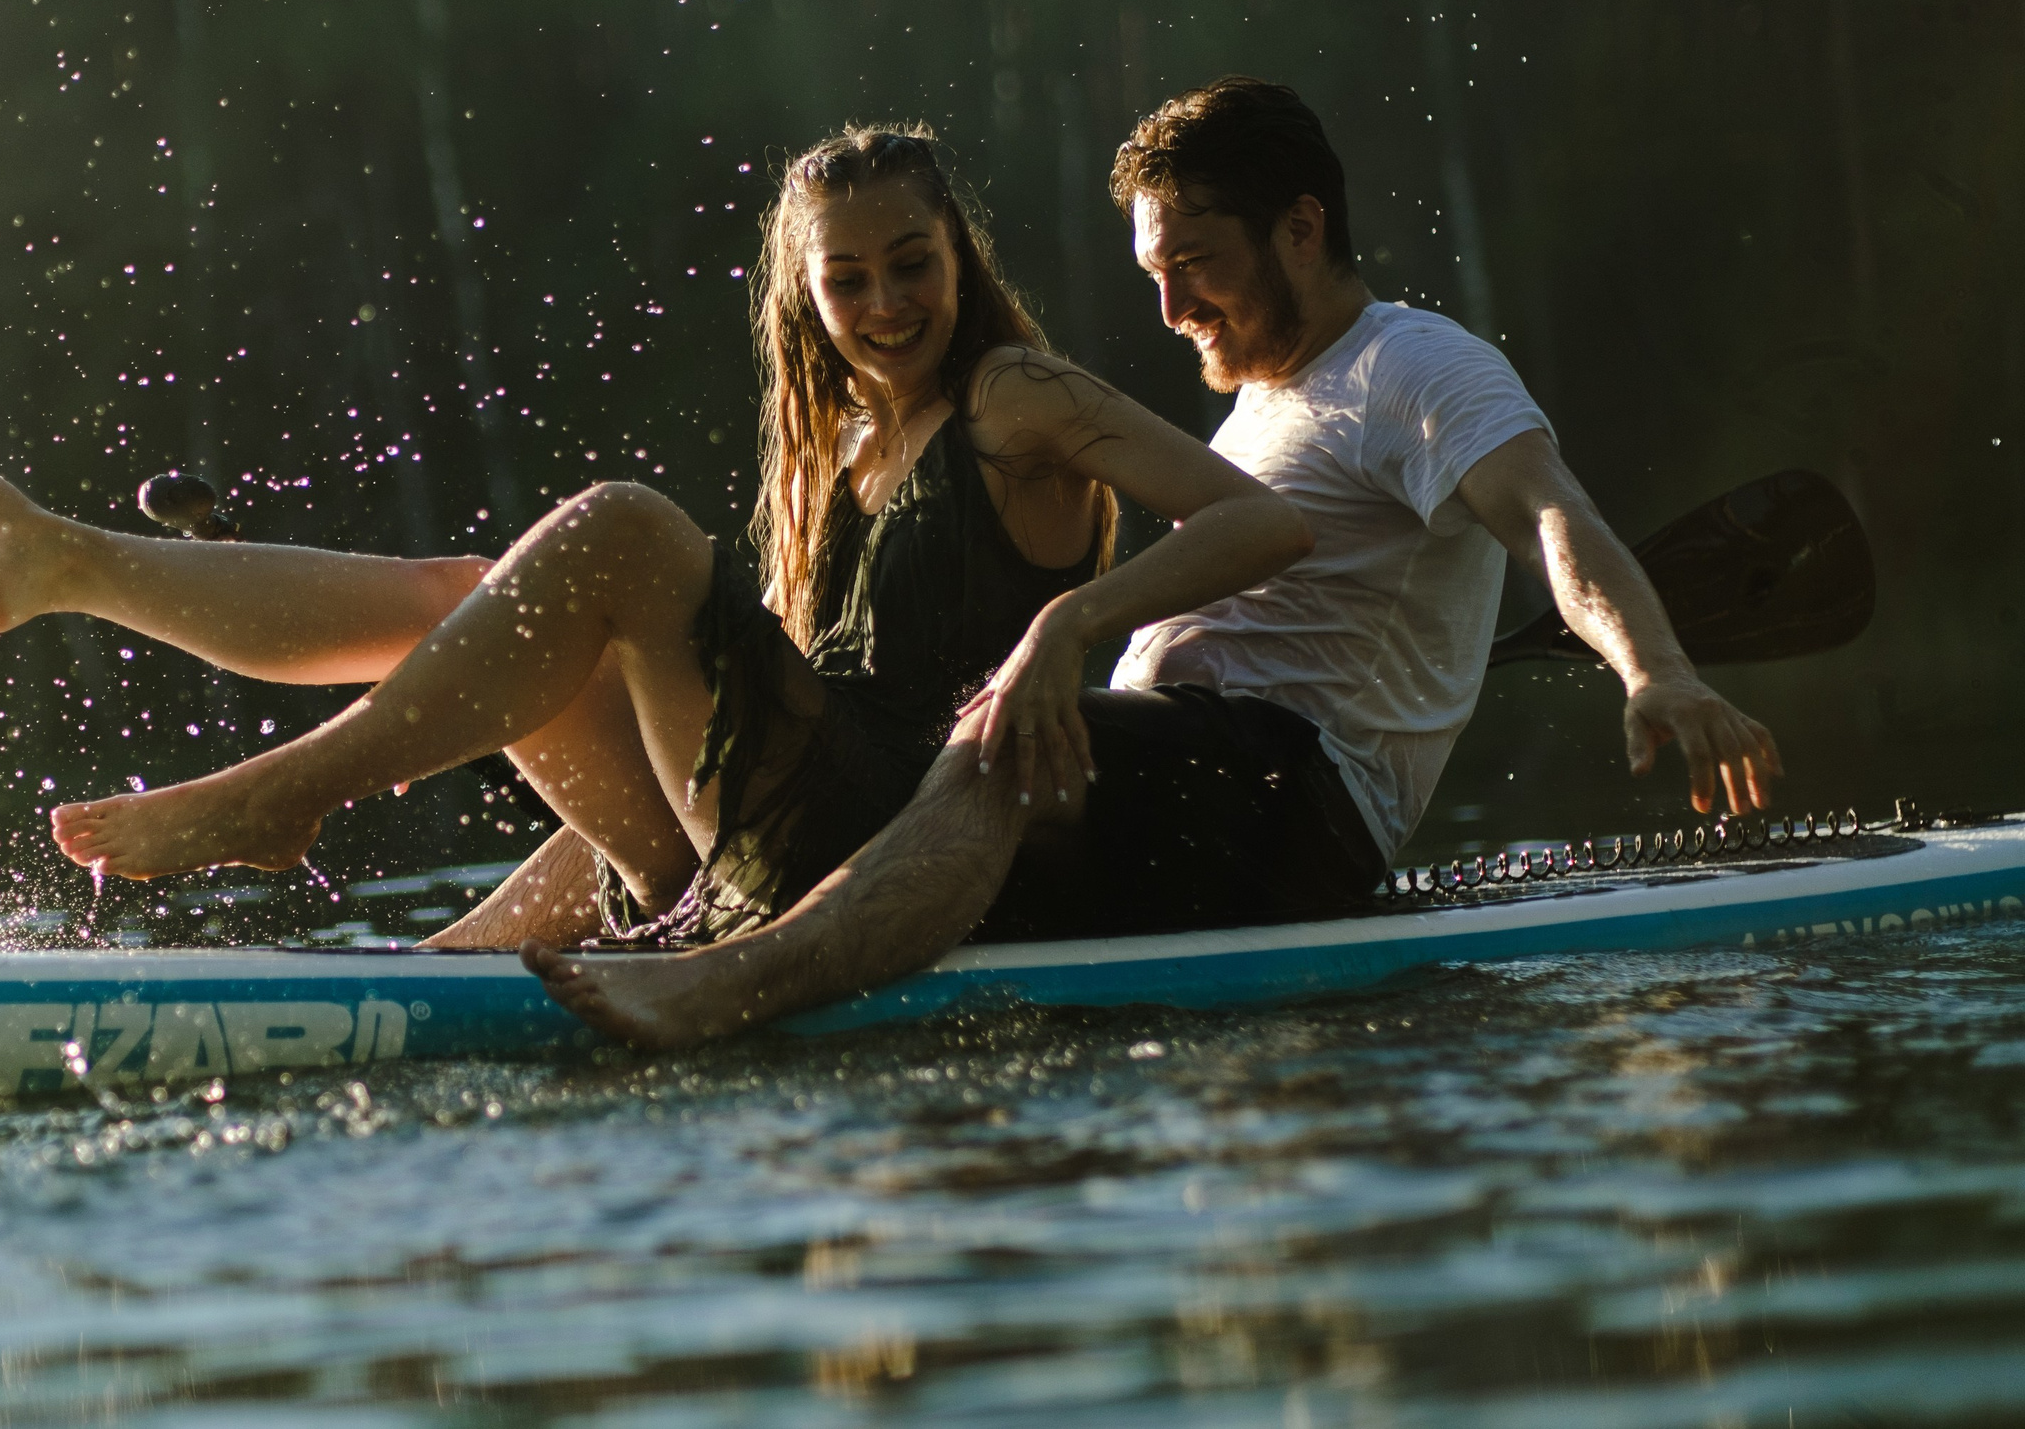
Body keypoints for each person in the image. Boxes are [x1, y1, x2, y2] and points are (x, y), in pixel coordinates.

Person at [524, 77, 1784, 1046]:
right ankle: (492, 961)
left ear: (1302, 229)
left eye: (1195, 266)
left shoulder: (1417, 365)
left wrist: (1654, 671)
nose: (1171, 308)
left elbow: (1551, 517)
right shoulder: (1260, 409)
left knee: (998, 736)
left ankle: (731, 985)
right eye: (1153, 274)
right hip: (1174, 785)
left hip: (1293, 802)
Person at [0, 125, 1312, 942]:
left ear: (960, 258)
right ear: (805, 292)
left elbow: (1261, 523)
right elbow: (702, 775)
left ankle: (280, 791)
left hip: (908, 838)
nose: (887, 305)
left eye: (913, 265)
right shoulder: (834, 450)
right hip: (795, 832)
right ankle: (64, 564)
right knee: (478, 596)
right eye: (849, 279)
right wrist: (451, 972)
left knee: (623, 530)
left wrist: (1071, 624)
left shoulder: (1016, 396)